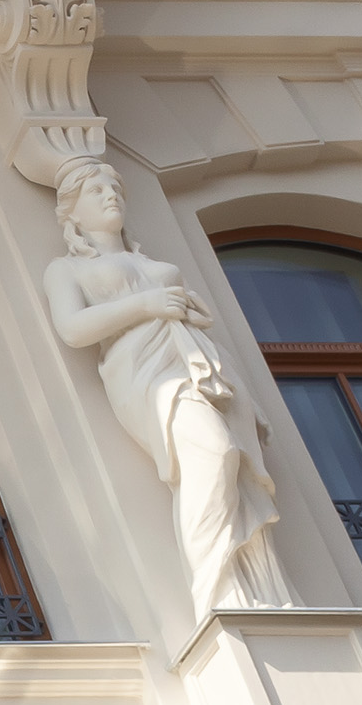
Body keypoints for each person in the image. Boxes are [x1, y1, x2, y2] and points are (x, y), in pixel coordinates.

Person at [41, 157, 294, 615]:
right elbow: (74, 329)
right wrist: (149, 304)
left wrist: (249, 398)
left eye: (114, 186)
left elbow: (201, 329)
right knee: (213, 455)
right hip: (145, 372)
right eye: (95, 190)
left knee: (233, 467)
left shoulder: (146, 260)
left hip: (202, 364)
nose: (110, 194)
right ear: (72, 213)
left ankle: (259, 594)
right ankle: (216, 592)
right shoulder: (66, 269)